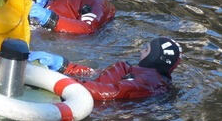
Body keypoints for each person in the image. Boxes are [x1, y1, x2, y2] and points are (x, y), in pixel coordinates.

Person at [28, 37, 182, 100]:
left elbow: (113, 91)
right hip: (88, 97)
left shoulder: (146, 82)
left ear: (154, 58)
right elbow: (97, 76)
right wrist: (64, 66)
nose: (140, 51)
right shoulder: (136, 72)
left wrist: (62, 82)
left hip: (96, 109)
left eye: (146, 49)